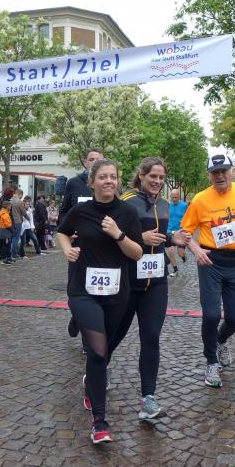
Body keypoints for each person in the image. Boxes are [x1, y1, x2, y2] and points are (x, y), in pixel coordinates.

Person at [56, 158, 143, 444]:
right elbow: (62, 232)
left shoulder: (127, 212)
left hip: (117, 293)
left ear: (118, 181)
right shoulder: (81, 211)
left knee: (104, 354)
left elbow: (137, 253)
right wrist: (67, 249)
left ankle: (90, 384)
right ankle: (100, 423)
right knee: (97, 350)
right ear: (91, 182)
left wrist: (118, 234)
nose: (109, 181)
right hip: (83, 290)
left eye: (113, 177)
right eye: (103, 177)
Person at [110, 157, 191, 420]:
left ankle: (148, 399)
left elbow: (159, 237)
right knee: (116, 333)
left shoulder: (165, 204)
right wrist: (139, 238)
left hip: (156, 281)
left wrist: (173, 238)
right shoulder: (125, 201)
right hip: (128, 280)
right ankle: (98, 369)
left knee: (151, 336)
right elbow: (111, 237)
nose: (157, 181)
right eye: (152, 176)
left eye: (161, 177)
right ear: (141, 175)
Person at [180, 153, 235, 388]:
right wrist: (196, 249)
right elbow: (185, 232)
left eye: (224, 171)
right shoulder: (200, 200)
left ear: (232, 171)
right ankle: (211, 362)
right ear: (209, 176)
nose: (220, 176)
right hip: (210, 262)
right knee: (212, 315)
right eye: (215, 172)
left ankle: (220, 340)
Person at [60, 149, 104, 344]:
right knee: (74, 289)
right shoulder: (74, 183)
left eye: (98, 160)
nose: (94, 162)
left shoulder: (108, 184)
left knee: (96, 292)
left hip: (101, 248)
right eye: (91, 159)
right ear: (85, 162)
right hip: (78, 247)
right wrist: (69, 231)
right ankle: (77, 316)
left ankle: (89, 340)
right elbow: (63, 213)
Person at [166, 188, 188, 277]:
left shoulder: (184, 205)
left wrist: (184, 221)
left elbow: (189, 217)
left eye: (175, 197)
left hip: (180, 231)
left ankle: (183, 257)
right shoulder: (168, 205)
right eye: (172, 197)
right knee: (170, 251)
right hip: (170, 231)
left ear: (179, 196)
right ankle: (175, 270)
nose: (174, 199)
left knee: (180, 253)